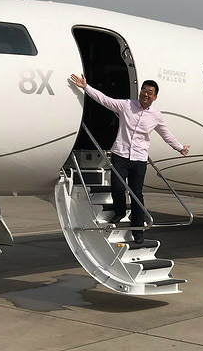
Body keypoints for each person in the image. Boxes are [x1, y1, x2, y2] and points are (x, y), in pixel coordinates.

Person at [69, 74, 189, 243]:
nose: (145, 94)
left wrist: (179, 148)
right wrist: (86, 87)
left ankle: (138, 230)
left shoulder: (156, 115)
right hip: (121, 154)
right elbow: (105, 100)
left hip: (139, 159)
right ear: (140, 92)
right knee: (118, 188)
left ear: (155, 97)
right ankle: (119, 211)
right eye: (144, 90)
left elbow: (165, 134)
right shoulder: (126, 105)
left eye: (150, 92)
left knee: (137, 194)